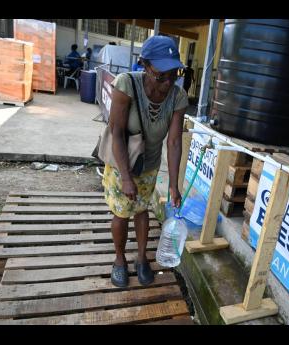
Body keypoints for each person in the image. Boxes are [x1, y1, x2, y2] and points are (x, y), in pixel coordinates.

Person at [104, 35, 188, 288]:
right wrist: (127, 177)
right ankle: (119, 260)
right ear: (144, 64)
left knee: (142, 210)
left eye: (175, 73)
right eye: (161, 75)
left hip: (149, 165)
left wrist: (173, 184)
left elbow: (173, 142)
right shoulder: (126, 84)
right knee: (121, 212)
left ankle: (141, 259)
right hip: (123, 162)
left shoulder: (178, 96)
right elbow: (116, 131)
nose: (168, 81)